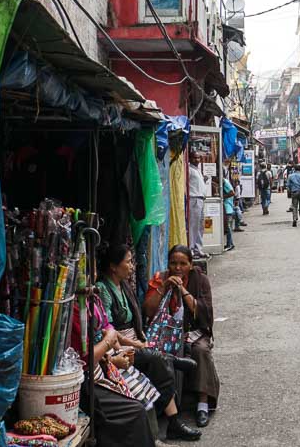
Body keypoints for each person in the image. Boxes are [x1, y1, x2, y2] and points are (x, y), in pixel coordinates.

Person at [95, 243, 203, 441]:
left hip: (132, 338)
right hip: (118, 345)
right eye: (128, 262)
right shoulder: (103, 289)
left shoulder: (124, 285)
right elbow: (111, 330)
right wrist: (135, 344)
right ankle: (174, 420)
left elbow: (202, 313)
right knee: (158, 359)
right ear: (113, 266)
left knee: (158, 359)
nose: (132, 266)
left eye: (183, 263)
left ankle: (173, 421)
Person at [145, 245, 221, 429]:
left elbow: (204, 312)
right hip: (167, 333)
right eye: (173, 263)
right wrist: (164, 287)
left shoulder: (200, 280)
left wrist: (183, 291)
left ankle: (202, 404)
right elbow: (148, 309)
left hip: (193, 331)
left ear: (191, 265)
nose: (177, 268)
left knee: (201, 350)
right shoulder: (160, 278)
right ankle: (167, 405)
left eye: (182, 264)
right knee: (155, 354)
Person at [188, 151, 207, 259]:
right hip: (194, 199)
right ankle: (191, 250)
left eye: (199, 158)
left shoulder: (197, 170)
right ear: (190, 158)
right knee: (193, 226)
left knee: (200, 226)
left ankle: (198, 249)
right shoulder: (189, 169)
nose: (197, 160)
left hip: (200, 199)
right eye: (195, 158)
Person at [222, 173, 236, 252]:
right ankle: (230, 243)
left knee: (228, 227)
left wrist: (222, 197)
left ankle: (230, 244)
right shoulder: (225, 182)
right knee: (227, 227)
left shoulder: (225, 182)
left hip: (228, 208)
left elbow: (232, 193)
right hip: (227, 208)